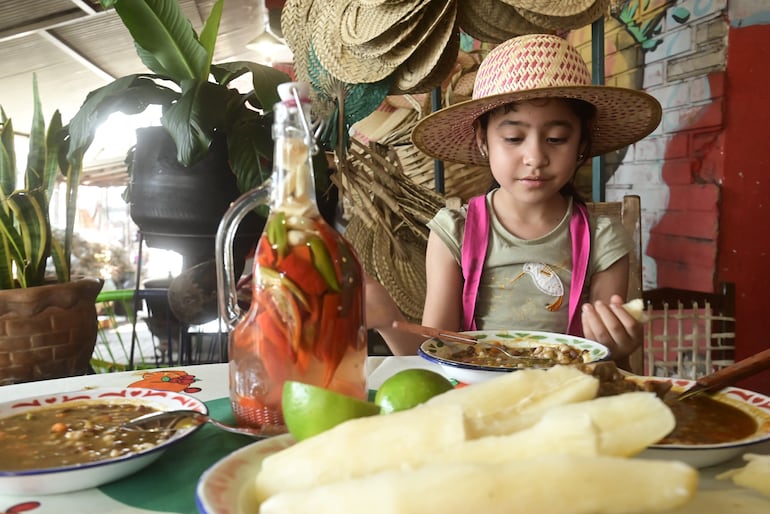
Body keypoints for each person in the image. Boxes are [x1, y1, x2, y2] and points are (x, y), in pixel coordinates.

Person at [365, 34, 662, 370]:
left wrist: (617, 348)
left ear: (582, 141)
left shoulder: (603, 239)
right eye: (513, 138)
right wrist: (386, 318)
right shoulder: (454, 233)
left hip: (565, 406)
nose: (535, 157)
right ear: (483, 140)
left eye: (556, 139)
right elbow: (436, 357)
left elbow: (610, 368)